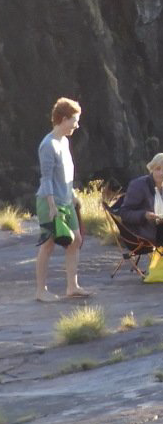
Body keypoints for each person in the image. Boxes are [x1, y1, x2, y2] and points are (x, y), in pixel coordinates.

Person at [35, 97, 89, 303]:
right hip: (51, 203)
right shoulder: (48, 145)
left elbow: (65, 175)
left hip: (66, 200)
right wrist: (51, 206)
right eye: (74, 120)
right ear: (63, 119)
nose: (76, 124)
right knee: (48, 245)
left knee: (75, 240)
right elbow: (46, 178)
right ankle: (41, 290)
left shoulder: (64, 142)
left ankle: (72, 286)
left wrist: (73, 195)